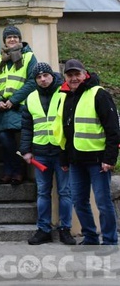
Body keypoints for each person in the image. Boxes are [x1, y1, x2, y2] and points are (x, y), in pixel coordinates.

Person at [55, 59, 119, 247]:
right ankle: (90, 237)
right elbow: (65, 130)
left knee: (103, 202)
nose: (74, 78)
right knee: (79, 202)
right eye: (70, 75)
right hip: (76, 161)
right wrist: (65, 158)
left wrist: (109, 158)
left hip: (98, 160)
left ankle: (109, 240)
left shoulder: (99, 94)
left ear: (85, 74)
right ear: (65, 77)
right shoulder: (66, 96)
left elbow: (113, 129)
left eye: (77, 74)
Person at [20, 62, 75, 246]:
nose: (43, 79)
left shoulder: (64, 94)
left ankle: (65, 229)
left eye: (46, 75)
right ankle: (44, 230)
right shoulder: (30, 98)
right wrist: (26, 150)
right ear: (35, 80)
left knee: (64, 192)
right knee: (43, 192)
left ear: (52, 76)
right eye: (39, 77)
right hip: (40, 152)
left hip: (61, 152)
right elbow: (26, 127)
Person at [0, 26, 37, 185]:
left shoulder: (29, 57)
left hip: (20, 106)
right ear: (4, 41)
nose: (12, 40)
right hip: (2, 108)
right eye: (9, 37)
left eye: (15, 37)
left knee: (17, 140)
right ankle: (13, 170)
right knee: (4, 139)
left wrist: (13, 100)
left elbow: (32, 81)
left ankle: (15, 171)